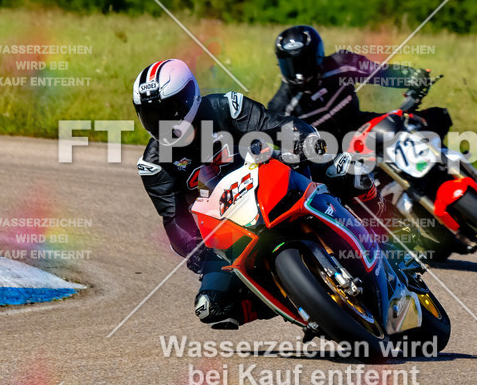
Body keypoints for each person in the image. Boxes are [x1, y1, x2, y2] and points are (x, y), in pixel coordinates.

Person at [133, 58, 382, 330]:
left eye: (169, 110)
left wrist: (301, 138)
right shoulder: (153, 164)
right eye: (151, 114)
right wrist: (194, 247)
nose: (160, 122)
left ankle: (384, 228)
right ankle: (303, 304)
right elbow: (174, 218)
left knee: (348, 171)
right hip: (232, 227)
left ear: (190, 96)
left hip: (276, 180)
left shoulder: (226, 106)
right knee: (211, 307)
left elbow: (275, 124)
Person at [267, 25, 452, 140]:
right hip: (329, 155)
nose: (299, 72)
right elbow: (283, 146)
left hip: (361, 125)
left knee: (434, 119)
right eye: (290, 64)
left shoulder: (342, 64)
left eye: (303, 62)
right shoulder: (281, 107)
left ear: (317, 55)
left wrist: (411, 76)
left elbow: (381, 72)